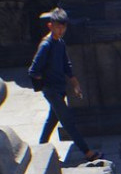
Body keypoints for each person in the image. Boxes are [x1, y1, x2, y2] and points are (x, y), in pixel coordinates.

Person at [27, 8, 101, 162]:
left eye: (63, 27)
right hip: (51, 90)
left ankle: (41, 149)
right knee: (68, 121)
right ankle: (87, 152)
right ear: (50, 26)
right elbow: (33, 70)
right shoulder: (46, 45)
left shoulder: (60, 43)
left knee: (52, 120)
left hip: (60, 88)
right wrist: (45, 81)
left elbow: (66, 65)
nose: (61, 31)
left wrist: (75, 83)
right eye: (58, 27)